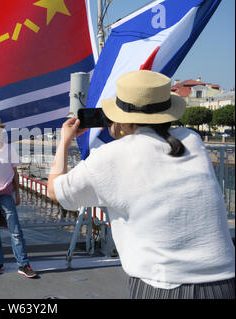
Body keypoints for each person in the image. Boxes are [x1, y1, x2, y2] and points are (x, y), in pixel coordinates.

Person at [48, 70, 235, 299]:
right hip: (224, 280)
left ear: (123, 118)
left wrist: (64, 140)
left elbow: (55, 190)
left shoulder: (111, 156)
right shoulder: (191, 139)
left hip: (164, 285)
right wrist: (125, 130)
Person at [0, 115, 37, 278]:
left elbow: (15, 174)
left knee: (16, 230)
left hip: (7, 195)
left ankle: (23, 264)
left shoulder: (10, 149)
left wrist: (17, 194)